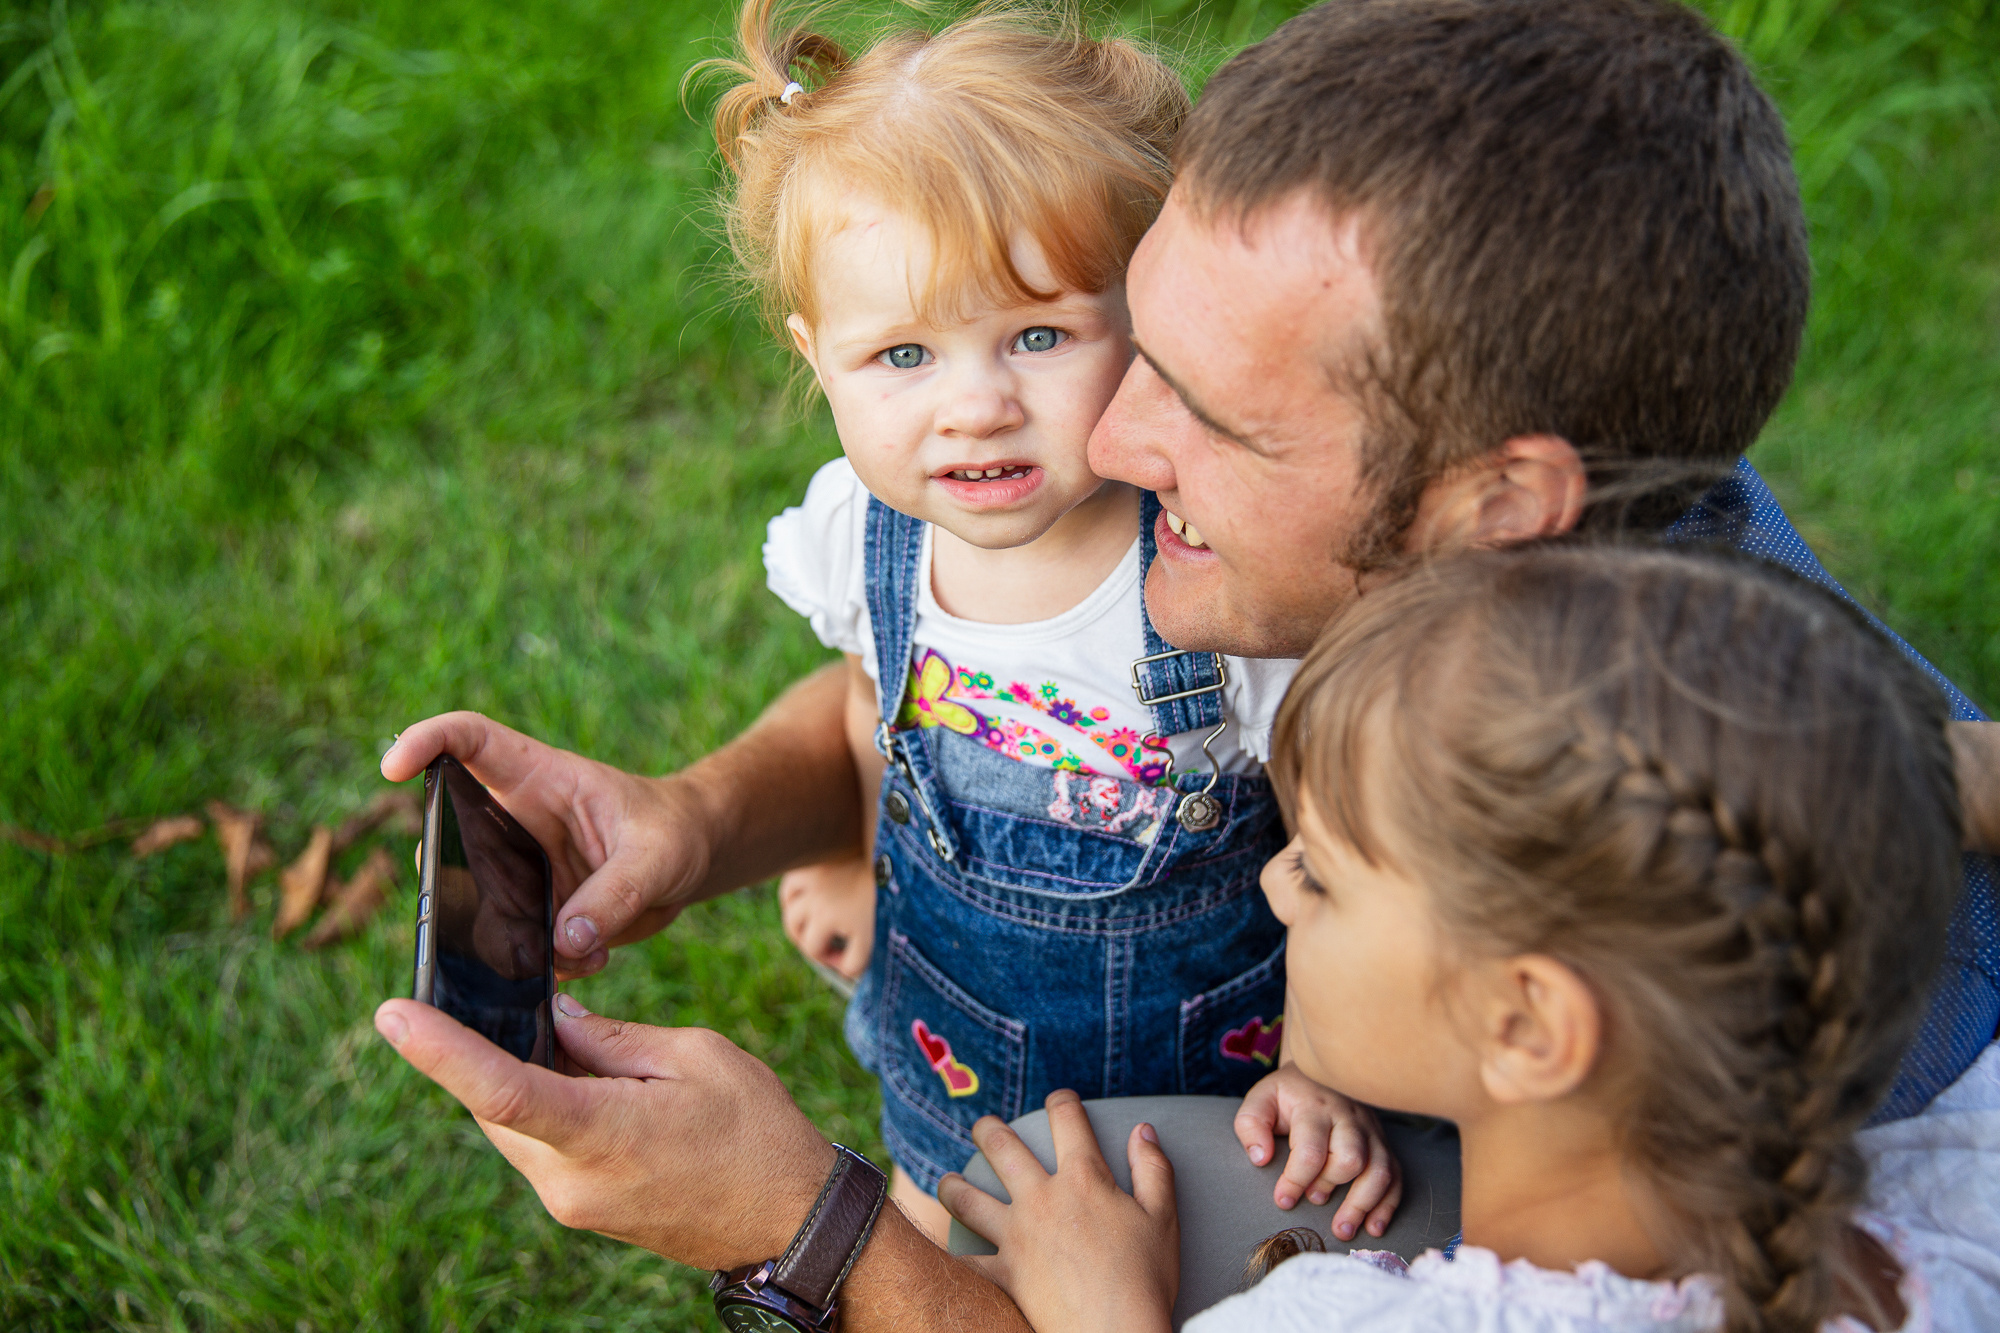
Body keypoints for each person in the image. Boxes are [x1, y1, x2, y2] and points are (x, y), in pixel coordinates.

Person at [376, 0, 2000, 1323]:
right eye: (1133, 331)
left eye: (1200, 405)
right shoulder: (1526, 625)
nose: (1112, 439)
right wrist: (699, 816)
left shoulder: (1720, 998)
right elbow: (933, 694)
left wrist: (795, 1225)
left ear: (1500, 509)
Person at [702, 0, 1393, 1242]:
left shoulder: (1214, 576)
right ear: (816, 358)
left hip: (1199, 1108)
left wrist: (1331, 1061)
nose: (973, 407)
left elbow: (1338, 848)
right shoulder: (860, 533)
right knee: (921, 1252)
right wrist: (846, 857)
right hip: (948, 1064)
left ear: (1143, 323)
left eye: (1035, 336)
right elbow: (879, 704)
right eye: (901, 357)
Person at [942, 545, 2000, 1333]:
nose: (1274, 883)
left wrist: (1100, 1309)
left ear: (1527, 1022)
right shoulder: (1953, 1198)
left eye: (1321, 871)